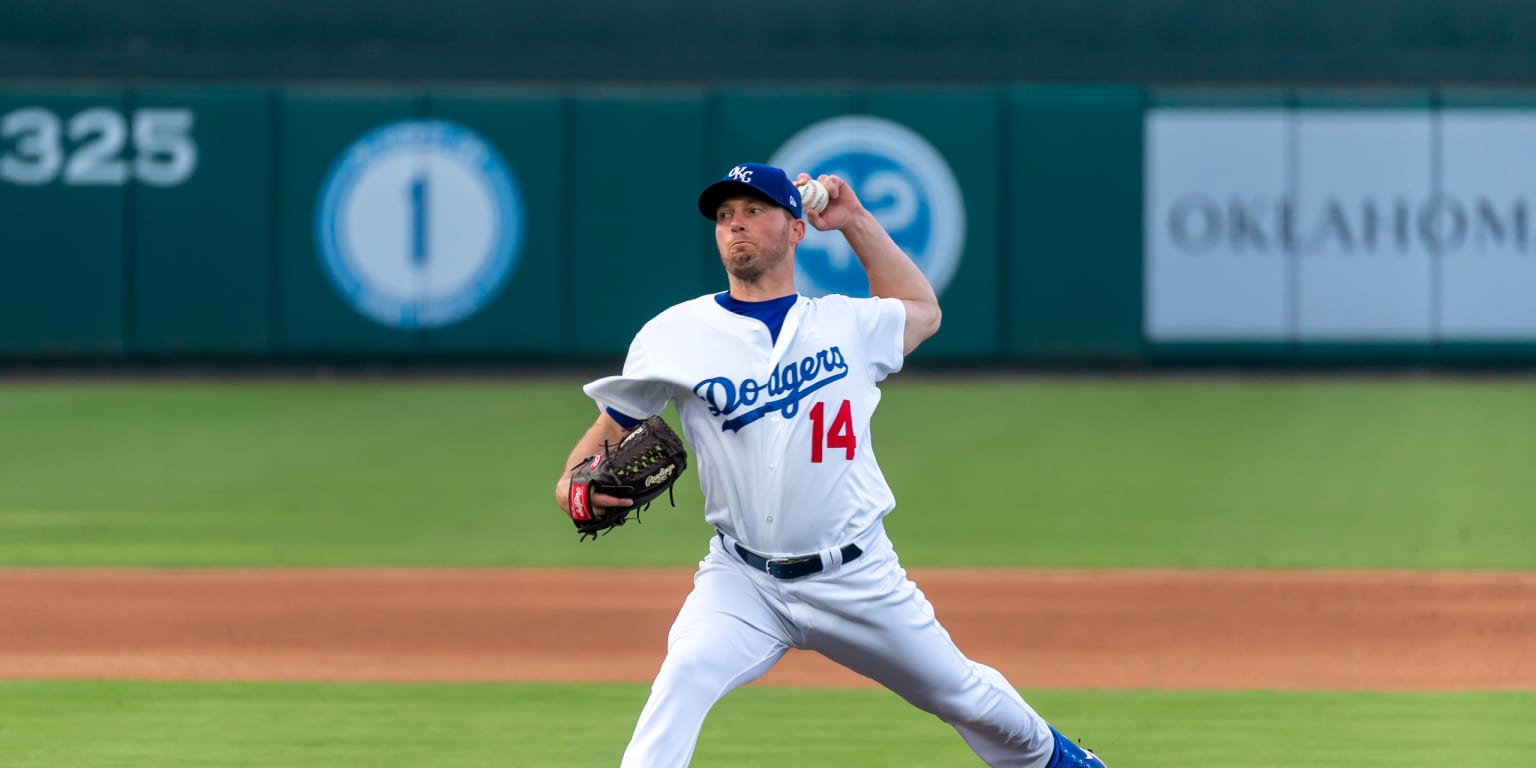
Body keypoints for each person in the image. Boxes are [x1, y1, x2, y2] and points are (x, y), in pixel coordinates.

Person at [554, 162, 1107, 767]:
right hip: (743, 579)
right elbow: (612, 428)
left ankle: (1057, 759)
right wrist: (570, 484)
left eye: (754, 211)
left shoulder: (848, 324)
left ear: (795, 229)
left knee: (964, 696)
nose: (736, 225)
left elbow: (922, 310)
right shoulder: (674, 333)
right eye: (724, 216)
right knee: (681, 678)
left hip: (856, 576)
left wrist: (854, 221)